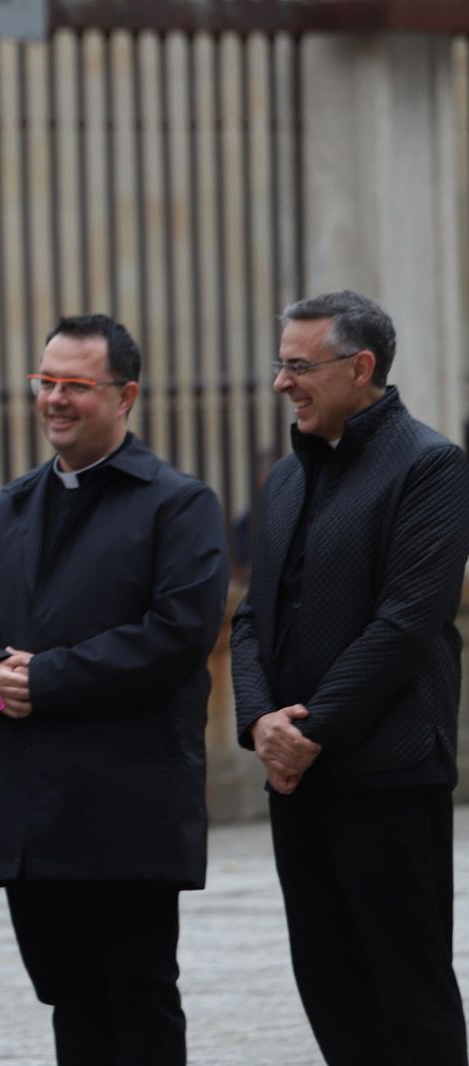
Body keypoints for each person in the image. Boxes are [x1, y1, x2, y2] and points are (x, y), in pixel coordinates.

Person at [0, 314, 228, 1066]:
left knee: (135, 996)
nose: (54, 400)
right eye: (46, 383)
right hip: (29, 812)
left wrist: (45, 678)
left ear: (127, 394)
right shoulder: (10, 507)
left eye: (77, 385)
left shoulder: (177, 504)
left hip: (124, 805)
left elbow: (177, 634)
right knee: (66, 996)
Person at [231, 291, 469, 1064]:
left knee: (409, 994)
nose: (281, 383)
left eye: (299, 367)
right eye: (281, 365)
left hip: (388, 774)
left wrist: (308, 731)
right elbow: (251, 620)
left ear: (360, 367)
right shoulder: (286, 480)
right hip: (298, 781)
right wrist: (260, 721)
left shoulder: (431, 465)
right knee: (329, 986)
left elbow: (407, 621)